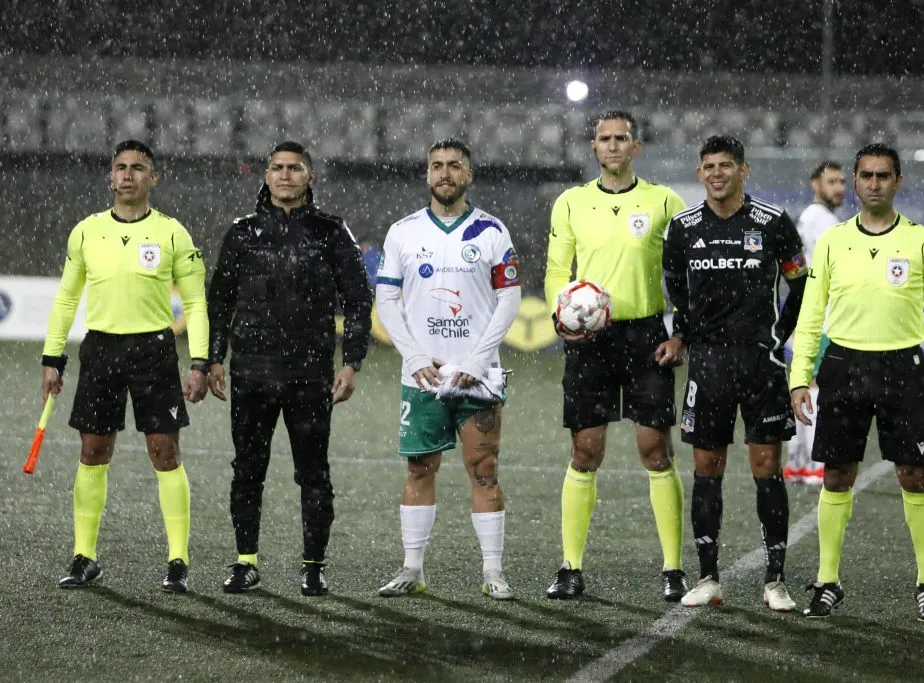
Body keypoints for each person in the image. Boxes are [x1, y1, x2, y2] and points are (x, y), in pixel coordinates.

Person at [791, 143, 924, 622]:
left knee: (914, 475)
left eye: (883, 176)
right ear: (856, 179)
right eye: (865, 175)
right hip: (843, 365)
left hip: (902, 369)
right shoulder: (832, 242)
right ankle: (828, 581)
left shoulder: (922, 241)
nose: (873, 184)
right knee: (837, 473)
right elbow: (811, 314)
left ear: (898, 182)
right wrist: (799, 375)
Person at [42, 139, 210, 593]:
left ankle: (178, 560)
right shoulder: (86, 232)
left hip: (154, 352)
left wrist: (199, 361)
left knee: (165, 454)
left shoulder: (173, 233)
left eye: (138, 167)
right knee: (93, 453)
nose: (129, 175)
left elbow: (195, 302)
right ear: (110, 177)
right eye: (121, 167)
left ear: (154, 178)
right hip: (100, 352)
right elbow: (66, 298)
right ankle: (84, 556)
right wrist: (52, 356)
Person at [207, 141, 372, 596]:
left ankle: (314, 566)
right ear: (265, 175)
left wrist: (352, 361)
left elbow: (359, 300)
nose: (285, 175)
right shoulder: (241, 233)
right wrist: (213, 358)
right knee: (247, 470)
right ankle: (245, 563)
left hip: (310, 374)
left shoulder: (331, 232)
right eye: (277, 168)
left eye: (294, 168)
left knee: (314, 473)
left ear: (309, 176)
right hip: (251, 372)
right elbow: (218, 302)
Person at [544, 111, 688, 602]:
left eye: (620, 139)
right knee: (585, 452)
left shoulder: (665, 201)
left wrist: (681, 331)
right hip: (590, 341)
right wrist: (562, 318)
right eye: (603, 139)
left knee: (655, 450)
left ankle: (672, 568)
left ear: (636, 146)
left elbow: (686, 273)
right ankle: (570, 567)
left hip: (647, 336)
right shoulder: (570, 202)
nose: (612, 146)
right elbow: (556, 270)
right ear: (593, 147)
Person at [662, 135, 808, 612]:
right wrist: (684, 333)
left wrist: (779, 337)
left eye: (727, 165)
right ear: (700, 172)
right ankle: (708, 578)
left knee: (767, 468)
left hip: (761, 365)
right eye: (709, 166)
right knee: (708, 469)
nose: (717, 173)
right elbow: (675, 290)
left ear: (744, 170)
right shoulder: (683, 228)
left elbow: (799, 285)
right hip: (708, 365)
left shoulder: (773, 223)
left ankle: (775, 581)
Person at [375, 138, 521, 600]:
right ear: (426, 175)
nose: (445, 173)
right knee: (420, 468)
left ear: (468, 175)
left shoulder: (492, 231)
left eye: (454, 166)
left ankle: (494, 572)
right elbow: (386, 298)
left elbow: (510, 298)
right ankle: (412, 569)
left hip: (478, 378)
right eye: (436, 165)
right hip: (423, 376)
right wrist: (414, 356)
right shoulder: (402, 232)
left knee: (484, 469)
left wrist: (478, 360)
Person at [784, 161, 846, 487]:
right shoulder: (821, 220)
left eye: (841, 181)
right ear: (815, 184)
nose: (839, 187)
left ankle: (797, 464)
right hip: (822, 319)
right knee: (816, 390)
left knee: (804, 388)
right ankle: (815, 466)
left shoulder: (814, 218)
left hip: (811, 315)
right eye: (832, 181)